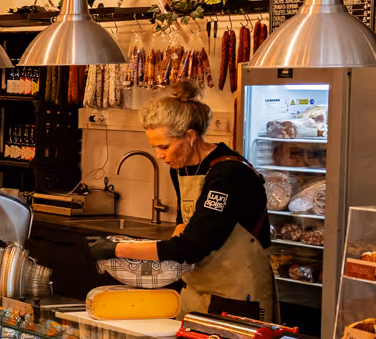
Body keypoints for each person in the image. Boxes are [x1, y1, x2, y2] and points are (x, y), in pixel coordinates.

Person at [92, 80, 277, 320]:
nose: (159, 155)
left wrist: (117, 249)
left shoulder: (228, 174)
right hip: (197, 289)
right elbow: (184, 221)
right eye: (155, 147)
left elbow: (194, 244)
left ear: (190, 136)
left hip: (239, 294)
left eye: (164, 146)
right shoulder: (180, 168)